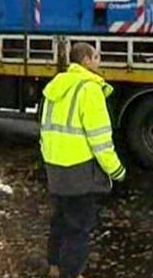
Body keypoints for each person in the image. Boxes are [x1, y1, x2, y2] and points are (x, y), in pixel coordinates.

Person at [39, 42, 126, 278]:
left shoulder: (55, 87)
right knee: (79, 227)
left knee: (60, 219)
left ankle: (54, 267)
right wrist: (116, 170)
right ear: (86, 60)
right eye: (96, 57)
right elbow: (100, 140)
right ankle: (72, 273)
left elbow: (44, 129)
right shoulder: (90, 89)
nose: (99, 62)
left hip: (54, 167)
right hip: (79, 170)